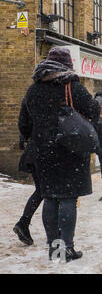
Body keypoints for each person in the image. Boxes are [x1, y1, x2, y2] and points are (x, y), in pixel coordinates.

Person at [20, 47, 100, 262]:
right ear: (67, 65)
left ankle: (54, 249)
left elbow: (24, 124)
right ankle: (68, 248)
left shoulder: (33, 90)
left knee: (50, 198)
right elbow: (93, 111)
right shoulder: (71, 86)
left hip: (43, 152)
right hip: (69, 151)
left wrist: (38, 136)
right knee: (67, 199)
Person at [13, 99, 43, 246]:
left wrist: (25, 137)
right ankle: (57, 233)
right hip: (45, 151)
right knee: (48, 191)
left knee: (42, 190)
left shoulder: (29, 98)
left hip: (32, 150)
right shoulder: (54, 96)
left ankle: (23, 223)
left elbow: (22, 125)